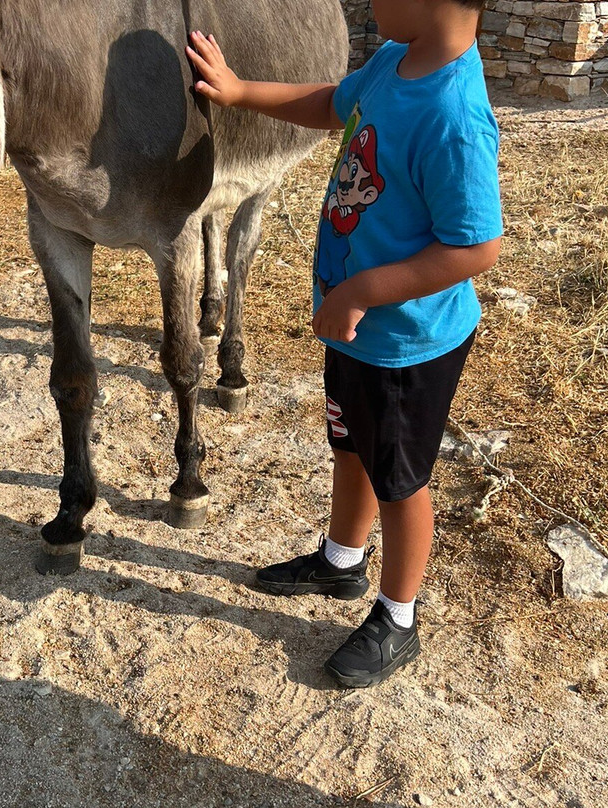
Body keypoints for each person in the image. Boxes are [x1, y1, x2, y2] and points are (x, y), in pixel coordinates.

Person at [186, 0, 502, 688]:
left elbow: (476, 246)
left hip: (405, 346)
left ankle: (398, 616)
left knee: (400, 480)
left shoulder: (453, 116)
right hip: (358, 331)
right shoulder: (395, 60)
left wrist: (360, 291)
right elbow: (333, 103)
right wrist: (239, 90)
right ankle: (341, 560)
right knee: (350, 445)